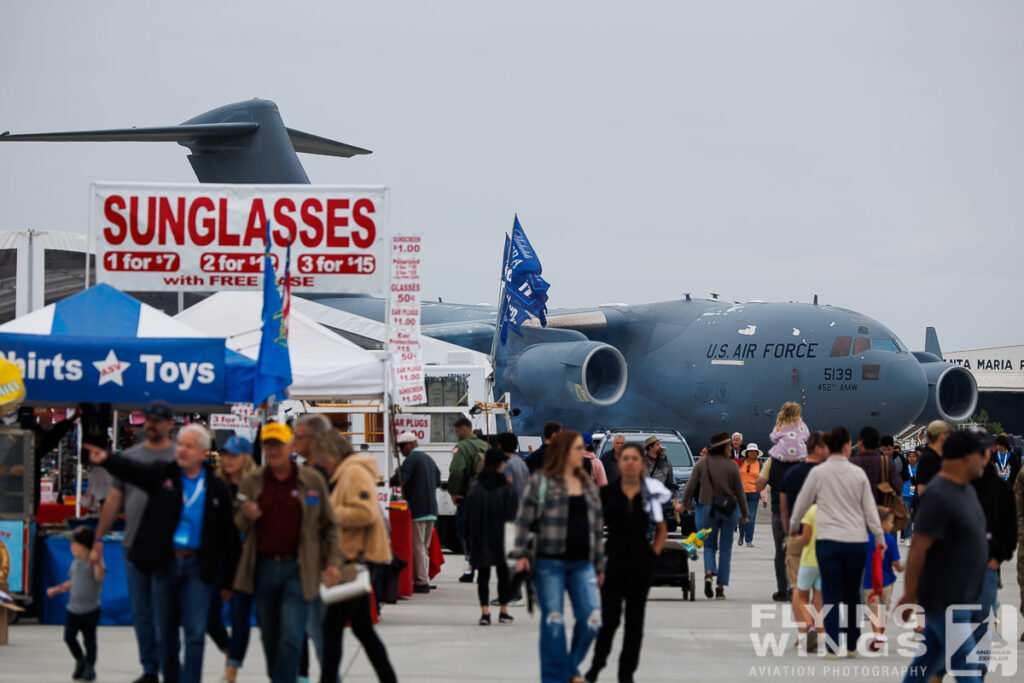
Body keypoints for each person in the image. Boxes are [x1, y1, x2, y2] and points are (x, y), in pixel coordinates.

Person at [86, 424, 237, 683]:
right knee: (166, 632)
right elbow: (135, 472)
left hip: (198, 567)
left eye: (189, 446)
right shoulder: (163, 476)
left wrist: (229, 580)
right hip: (167, 564)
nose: (182, 450)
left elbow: (229, 537)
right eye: (180, 444)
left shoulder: (217, 488)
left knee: (195, 632)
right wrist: (109, 460)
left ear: (203, 452)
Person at [233, 422, 343, 683]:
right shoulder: (252, 481)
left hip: (299, 569)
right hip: (263, 568)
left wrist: (333, 562)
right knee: (270, 639)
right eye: (268, 445)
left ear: (289, 446)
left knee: (291, 638)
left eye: (278, 445)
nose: (273, 451)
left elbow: (330, 525)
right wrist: (246, 516)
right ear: (262, 448)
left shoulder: (311, 480)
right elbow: (237, 523)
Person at [89, 399, 176, 683]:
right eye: (149, 419)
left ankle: (169, 666)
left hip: (170, 548)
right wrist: (99, 538)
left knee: (165, 611)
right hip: (134, 545)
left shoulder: (180, 458)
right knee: (141, 611)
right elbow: (114, 499)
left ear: (170, 425)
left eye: (158, 420)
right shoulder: (130, 457)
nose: (151, 424)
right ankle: (150, 668)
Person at [512, 430, 605, 683]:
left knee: (592, 619)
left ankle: (571, 668)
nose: (583, 453)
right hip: (548, 562)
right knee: (553, 623)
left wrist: (600, 564)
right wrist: (520, 553)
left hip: (583, 563)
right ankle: (555, 678)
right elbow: (523, 520)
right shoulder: (541, 481)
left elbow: (596, 527)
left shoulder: (587, 483)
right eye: (577, 448)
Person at [898, 430, 988, 682]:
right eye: (981, 454)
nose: (986, 458)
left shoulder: (965, 490)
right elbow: (918, 547)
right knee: (968, 668)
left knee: (924, 665)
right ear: (965, 458)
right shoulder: (939, 495)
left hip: (961, 598)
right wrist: (908, 595)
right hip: (945, 601)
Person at [788, 427, 884, 657]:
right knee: (853, 593)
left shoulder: (818, 473)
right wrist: (880, 538)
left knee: (830, 592)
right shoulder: (858, 474)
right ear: (844, 446)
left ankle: (832, 647)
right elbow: (870, 509)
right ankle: (852, 645)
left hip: (828, 540)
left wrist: (793, 527)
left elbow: (802, 502)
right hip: (856, 541)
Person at [317, 431, 398, 683]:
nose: (320, 463)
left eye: (323, 457)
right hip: (355, 558)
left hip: (356, 559)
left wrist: (328, 512)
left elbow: (365, 513)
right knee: (362, 628)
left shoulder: (353, 472)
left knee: (331, 628)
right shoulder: (346, 472)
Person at [586, 442, 668, 683]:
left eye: (635, 458)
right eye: (625, 458)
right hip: (613, 561)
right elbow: (594, 528)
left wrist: (653, 555)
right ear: (619, 463)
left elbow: (661, 528)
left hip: (641, 563)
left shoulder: (649, 492)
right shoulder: (607, 493)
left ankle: (626, 673)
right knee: (609, 619)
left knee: (635, 621)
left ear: (642, 463)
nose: (630, 462)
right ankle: (597, 665)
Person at [207, 435, 255, 683]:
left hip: (245, 562)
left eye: (234, 455)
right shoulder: (216, 486)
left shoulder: (255, 486)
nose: (228, 460)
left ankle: (232, 670)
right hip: (219, 561)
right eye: (225, 455)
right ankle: (229, 651)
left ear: (245, 458)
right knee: (209, 616)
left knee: (239, 616)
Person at [680, 432, 747, 600]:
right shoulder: (732, 466)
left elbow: (690, 486)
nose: (731, 448)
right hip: (728, 510)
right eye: (729, 446)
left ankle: (709, 572)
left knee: (709, 545)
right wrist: (745, 514)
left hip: (708, 508)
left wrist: (684, 503)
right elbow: (740, 492)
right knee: (726, 548)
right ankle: (720, 587)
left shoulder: (702, 464)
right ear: (723, 447)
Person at [969, 429, 1018, 651]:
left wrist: (998, 557)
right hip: (960, 564)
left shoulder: (1001, 489)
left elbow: (1010, 529)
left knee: (985, 611)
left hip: (989, 561)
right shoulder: (956, 484)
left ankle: (992, 629)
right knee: (956, 621)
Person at [464, 448, 519, 625]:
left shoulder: (475, 487)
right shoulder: (506, 487)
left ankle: (485, 613)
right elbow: (513, 516)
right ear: (498, 464)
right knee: (503, 575)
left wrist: (468, 540)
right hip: (501, 538)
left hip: (480, 537)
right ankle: (503, 610)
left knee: (483, 576)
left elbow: (467, 517)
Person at [47, 526, 105, 682]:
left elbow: (100, 576)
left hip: (90, 610)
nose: (71, 548)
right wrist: (58, 589)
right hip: (73, 610)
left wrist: (98, 558)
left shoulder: (94, 564)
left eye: (74, 545)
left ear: (83, 547)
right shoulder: (75, 564)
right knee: (69, 637)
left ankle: (90, 667)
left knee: (89, 640)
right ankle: (80, 660)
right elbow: (72, 582)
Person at [390, 431, 441, 594]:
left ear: (410, 445)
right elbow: (438, 480)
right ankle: (424, 576)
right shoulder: (428, 459)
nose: (402, 451)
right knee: (424, 547)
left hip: (418, 510)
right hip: (432, 509)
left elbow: (400, 480)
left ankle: (421, 581)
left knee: (418, 546)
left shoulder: (411, 460)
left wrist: (393, 478)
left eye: (402, 447)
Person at [757, 426, 804, 602]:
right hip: (800, 513)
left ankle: (782, 590)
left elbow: (759, 485)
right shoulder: (802, 461)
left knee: (780, 552)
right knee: (797, 552)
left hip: (778, 512)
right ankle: (795, 589)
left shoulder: (772, 462)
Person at [448, 415, 490, 582]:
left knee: (465, 534)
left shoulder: (463, 447)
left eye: (457, 430)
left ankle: (469, 570)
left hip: (468, 497)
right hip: (486, 496)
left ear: (464, 428)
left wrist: (454, 492)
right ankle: (483, 570)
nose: (457, 434)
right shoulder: (486, 445)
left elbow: (457, 471)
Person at [861, 507, 904, 652]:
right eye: (890, 522)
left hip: (869, 581)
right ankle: (879, 636)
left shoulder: (865, 538)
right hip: (887, 582)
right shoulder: (890, 540)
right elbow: (895, 562)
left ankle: (877, 635)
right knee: (882, 610)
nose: (892, 526)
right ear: (881, 523)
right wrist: (900, 568)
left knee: (875, 610)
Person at [792, 503, 823, 654]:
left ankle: (809, 626)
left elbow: (805, 538)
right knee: (819, 599)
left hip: (809, 561)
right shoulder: (832, 511)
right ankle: (819, 636)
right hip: (825, 560)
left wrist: (794, 538)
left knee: (802, 596)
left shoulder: (811, 510)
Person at [850, 426, 902, 506]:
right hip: (881, 513)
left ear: (860, 443)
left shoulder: (852, 463)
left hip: (857, 512)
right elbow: (898, 488)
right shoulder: (886, 463)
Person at [737, 443, 767, 547]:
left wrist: (764, 497)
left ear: (757, 453)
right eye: (751, 451)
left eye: (755, 451)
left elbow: (763, 480)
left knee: (751, 517)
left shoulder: (760, 465)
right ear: (747, 453)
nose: (753, 453)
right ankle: (741, 534)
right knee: (741, 516)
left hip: (754, 493)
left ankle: (748, 540)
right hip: (741, 493)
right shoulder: (740, 462)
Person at [914, 420, 949, 499]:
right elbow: (922, 489)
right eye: (948, 434)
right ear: (942, 436)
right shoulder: (928, 459)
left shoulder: (936, 456)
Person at [498, 431, 530, 500]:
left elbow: (509, 485)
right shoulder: (521, 462)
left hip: (512, 505)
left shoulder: (507, 463)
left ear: (499, 446)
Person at [900, 450, 918, 544]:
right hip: (906, 495)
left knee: (916, 517)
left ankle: (915, 535)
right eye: (910, 456)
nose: (911, 458)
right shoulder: (905, 467)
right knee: (908, 517)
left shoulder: (920, 467)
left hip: (917, 495)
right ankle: (908, 536)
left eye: (913, 456)